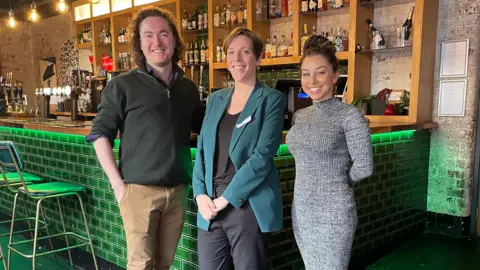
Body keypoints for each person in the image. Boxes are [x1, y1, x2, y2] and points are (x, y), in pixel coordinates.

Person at [86, 6, 205, 270]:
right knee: (141, 264)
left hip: (177, 191)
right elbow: (99, 134)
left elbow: (204, 127)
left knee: (164, 264)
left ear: (174, 40)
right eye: (148, 35)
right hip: (138, 191)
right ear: (139, 44)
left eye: (163, 34)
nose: (157, 42)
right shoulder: (122, 85)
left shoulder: (187, 88)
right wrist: (117, 185)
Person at [192, 27, 286, 270]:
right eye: (231, 52)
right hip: (210, 204)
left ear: (259, 57)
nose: (237, 59)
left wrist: (227, 199)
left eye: (245, 52)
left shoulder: (272, 100)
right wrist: (200, 194)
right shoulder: (216, 99)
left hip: (247, 205)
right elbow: (201, 151)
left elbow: (262, 157)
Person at [286, 35, 374, 270]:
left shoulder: (349, 116)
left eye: (320, 72)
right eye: (306, 73)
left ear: (335, 76)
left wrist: (338, 184)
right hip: (303, 210)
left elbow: (364, 166)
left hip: (333, 213)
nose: (312, 80)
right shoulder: (301, 115)